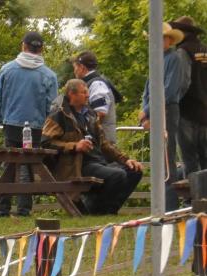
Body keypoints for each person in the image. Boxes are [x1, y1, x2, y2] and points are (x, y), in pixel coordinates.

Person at [42, 79, 143, 215]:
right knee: (117, 175)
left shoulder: (90, 114)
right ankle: (101, 211)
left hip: (98, 162)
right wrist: (75, 146)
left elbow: (104, 144)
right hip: (77, 165)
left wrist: (125, 160)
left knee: (134, 170)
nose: (88, 95)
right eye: (84, 92)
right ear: (72, 94)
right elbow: (46, 142)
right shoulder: (58, 114)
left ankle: (106, 210)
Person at [0, 31, 59, 217]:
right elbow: (52, 107)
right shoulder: (49, 75)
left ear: (23, 46)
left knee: (9, 165)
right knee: (28, 165)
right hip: (36, 127)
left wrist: (2, 118)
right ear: (41, 49)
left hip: (11, 125)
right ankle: (24, 209)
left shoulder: (7, 69)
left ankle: (3, 208)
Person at [140, 23, 190, 211]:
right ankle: (161, 205)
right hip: (157, 110)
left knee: (167, 160)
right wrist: (145, 115)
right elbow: (148, 90)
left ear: (169, 40)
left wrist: (146, 111)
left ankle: (169, 207)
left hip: (167, 111)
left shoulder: (174, 59)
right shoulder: (157, 60)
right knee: (159, 158)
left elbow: (168, 92)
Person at [170, 16, 207, 182]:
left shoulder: (182, 52)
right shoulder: (205, 50)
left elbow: (183, 83)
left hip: (187, 111)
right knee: (205, 158)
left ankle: (193, 198)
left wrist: (172, 102)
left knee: (189, 158)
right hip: (204, 113)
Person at [70, 50, 121, 145]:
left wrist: (84, 130)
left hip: (101, 144)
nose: (74, 71)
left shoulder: (97, 84)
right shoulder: (93, 83)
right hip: (97, 142)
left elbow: (100, 113)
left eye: (75, 67)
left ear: (81, 67)